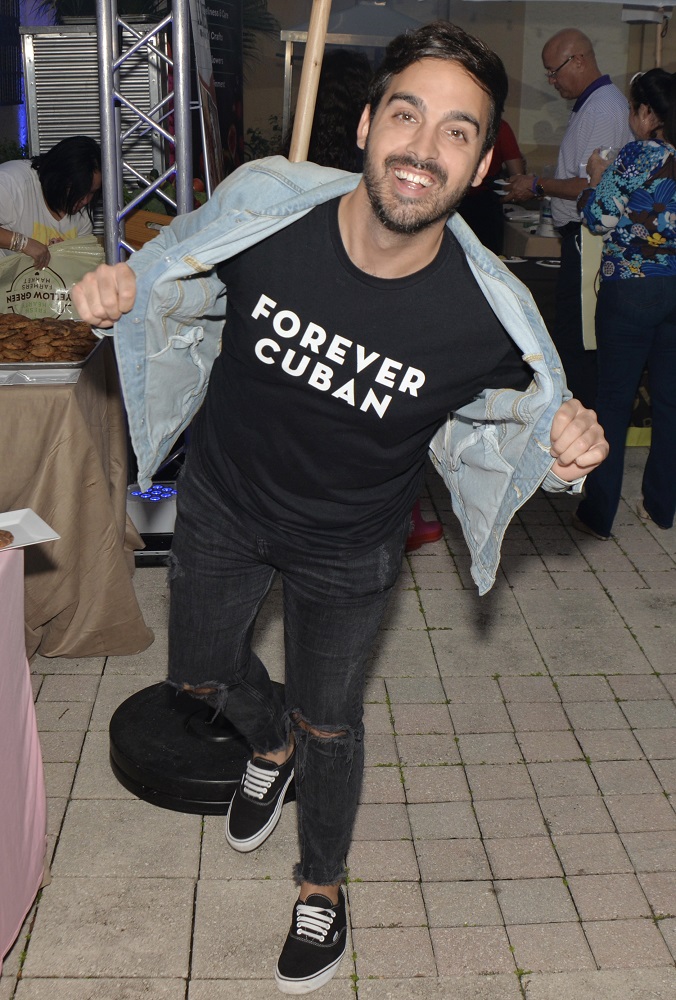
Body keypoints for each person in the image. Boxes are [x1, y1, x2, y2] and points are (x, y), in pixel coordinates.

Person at [72, 21, 608, 994]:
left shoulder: (487, 315)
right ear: (366, 125)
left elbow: (528, 427)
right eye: (407, 114)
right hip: (226, 499)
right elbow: (170, 273)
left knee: (334, 722)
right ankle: (262, 739)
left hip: (350, 545)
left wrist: (567, 456)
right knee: (197, 670)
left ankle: (321, 882)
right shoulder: (267, 210)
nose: (423, 147)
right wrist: (123, 291)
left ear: (482, 160)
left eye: (457, 131)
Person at [285, 46, 445, 552]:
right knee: (379, 396)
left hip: (315, 277)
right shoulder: (379, 152)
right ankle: (397, 508)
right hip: (376, 279)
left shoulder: (304, 142)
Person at [572, 68, 676, 539]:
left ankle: (599, 514)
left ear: (649, 114)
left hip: (629, 291)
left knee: (613, 401)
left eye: (635, 109)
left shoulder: (639, 154)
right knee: (671, 403)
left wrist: (596, 177)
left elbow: (598, 217)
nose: (632, 117)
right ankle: (663, 506)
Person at [504, 29, 633, 408]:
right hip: (578, 233)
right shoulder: (590, 104)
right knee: (573, 334)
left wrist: (539, 184)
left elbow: (589, 184)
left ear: (578, 59)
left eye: (553, 71)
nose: (552, 81)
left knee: (579, 338)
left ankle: (578, 414)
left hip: (589, 235)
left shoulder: (605, 108)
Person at [0, 135, 102, 270]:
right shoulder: (12, 182)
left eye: (92, 193)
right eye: (79, 191)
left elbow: (80, 271)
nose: (85, 200)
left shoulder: (83, 216)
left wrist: (63, 255)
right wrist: (23, 243)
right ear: (59, 177)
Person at [457, 117, 525, 253]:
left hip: (464, 200)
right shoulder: (500, 127)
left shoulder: (458, 123)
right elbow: (517, 174)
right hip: (484, 203)